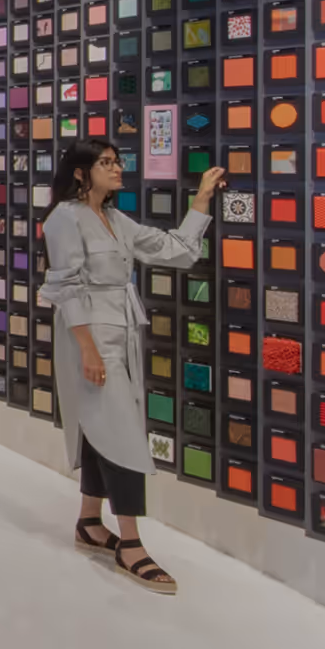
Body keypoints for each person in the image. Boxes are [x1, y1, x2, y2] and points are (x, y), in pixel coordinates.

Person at [38, 138, 223, 595]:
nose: (117, 169)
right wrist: (88, 349)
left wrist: (200, 199)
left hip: (121, 333)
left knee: (107, 427)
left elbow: (175, 249)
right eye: (106, 163)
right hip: (90, 338)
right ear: (82, 173)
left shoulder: (115, 219)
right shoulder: (63, 218)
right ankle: (131, 544)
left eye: (118, 162)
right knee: (120, 432)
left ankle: (88, 522)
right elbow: (64, 287)